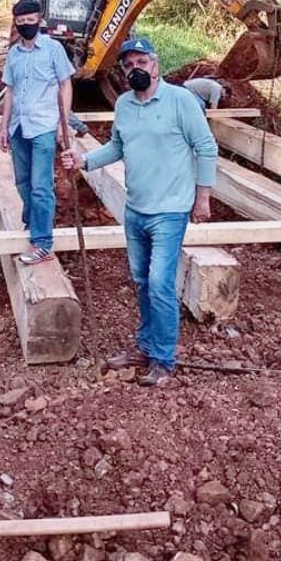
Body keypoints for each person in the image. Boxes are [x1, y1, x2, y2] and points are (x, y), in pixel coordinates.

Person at [61, 38, 218, 387]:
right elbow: (118, 146)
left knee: (161, 283)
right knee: (143, 282)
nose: (136, 70)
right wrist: (84, 160)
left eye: (141, 62)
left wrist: (203, 197)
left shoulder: (181, 101)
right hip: (136, 210)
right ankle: (145, 348)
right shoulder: (125, 106)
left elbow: (206, 147)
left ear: (155, 64)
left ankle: (163, 359)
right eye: (128, 65)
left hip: (170, 210)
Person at [0, 0, 75, 265]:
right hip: (19, 125)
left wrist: (61, 123)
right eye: (21, 23)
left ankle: (42, 242)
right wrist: (3, 127)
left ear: (39, 20)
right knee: (22, 181)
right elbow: (10, 91)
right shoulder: (13, 54)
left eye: (31, 21)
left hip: (43, 126)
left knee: (41, 186)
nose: (27, 26)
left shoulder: (54, 50)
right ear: (16, 24)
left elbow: (66, 85)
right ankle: (31, 223)